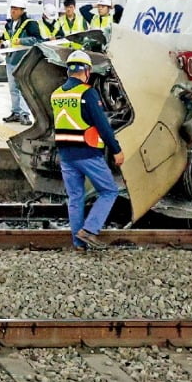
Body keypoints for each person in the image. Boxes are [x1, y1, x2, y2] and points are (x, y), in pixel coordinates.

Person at [52, 50, 124, 250]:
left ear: (68, 71)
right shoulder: (87, 92)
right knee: (109, 191)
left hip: (65, 155)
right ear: (87, 71)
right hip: (87, 153)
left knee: (75, 197)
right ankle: (90, 230)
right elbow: (102, 125)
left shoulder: (56, 94)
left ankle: (78, 243)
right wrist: (116, 149)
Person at [0, 0, 42, 126]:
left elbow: (37, 40)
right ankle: (16, 112)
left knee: (23, 88)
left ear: (22, 11)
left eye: (16, 9)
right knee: (13, 88)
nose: (13, 11)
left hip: (24, 60)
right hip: (10, 59)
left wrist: (21, 41)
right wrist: (3, 44)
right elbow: (6, 38)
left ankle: (25, 113)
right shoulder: (8, 24)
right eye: (12, 8)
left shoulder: (30, 24)